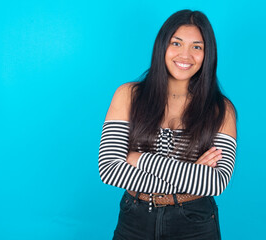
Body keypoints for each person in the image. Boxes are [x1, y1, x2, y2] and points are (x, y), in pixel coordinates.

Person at [98, 9, 237, 240]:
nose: (185, 55)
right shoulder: (128, 95)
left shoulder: (221, 110)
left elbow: (216, 183)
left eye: (197, 47)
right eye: (176, 43)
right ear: (162, 46)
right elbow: (110, 170)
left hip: (194, 222)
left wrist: (138, 159)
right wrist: (193, 175)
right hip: (134, 219)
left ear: (207, 54)